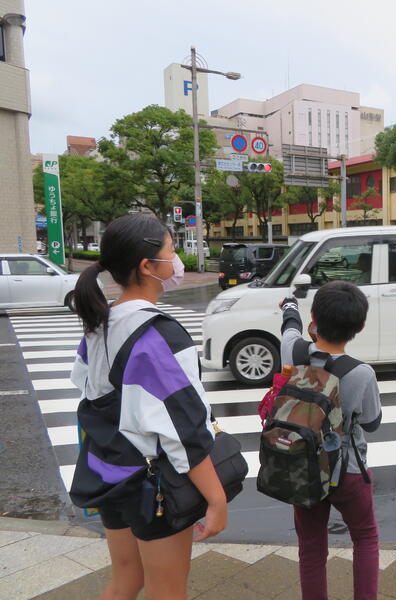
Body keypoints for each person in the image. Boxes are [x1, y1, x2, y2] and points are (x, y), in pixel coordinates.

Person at [69, 214, 227, 600]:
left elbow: (85, 386)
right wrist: (216, 499)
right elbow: (184, 428)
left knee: (125, 580)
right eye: (172, 251)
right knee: (167, 591)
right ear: (147, 266)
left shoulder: (100, 323)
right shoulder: (159, 334)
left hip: (109, 471)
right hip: (152, 484)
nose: (177, 261)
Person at [279, 281, 382, 600]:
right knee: (365, 537)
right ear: (359, 327)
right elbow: (371, 422)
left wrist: (289, 306)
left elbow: (289, 327)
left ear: (314, 318)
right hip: (347, 471)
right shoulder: (361, 373)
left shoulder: (293, 351)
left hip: (303, 467)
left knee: (311, 548)